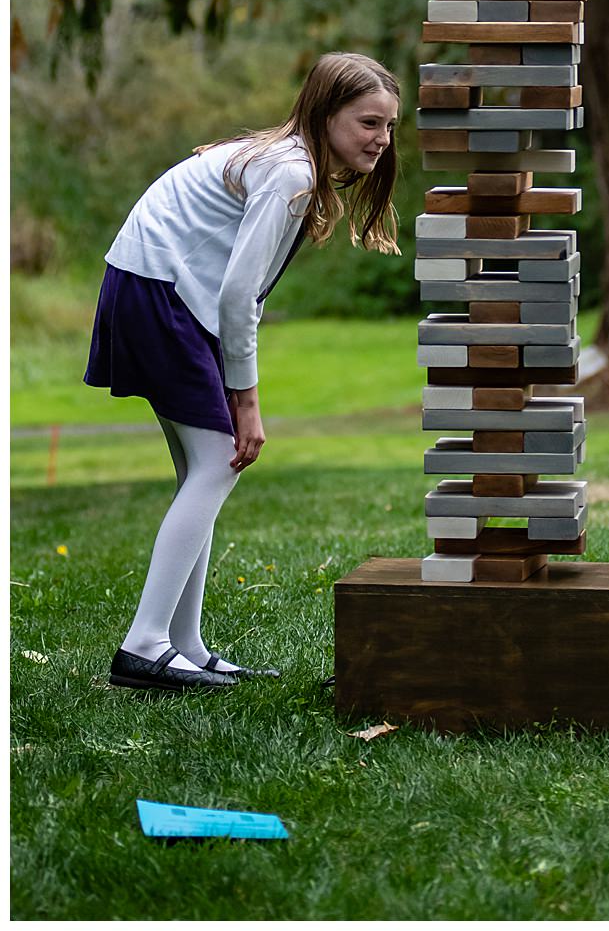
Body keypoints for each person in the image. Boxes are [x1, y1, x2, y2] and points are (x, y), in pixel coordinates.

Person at [84, 52, 401, 692]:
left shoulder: (288, 161)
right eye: (369, 122)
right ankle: (144, 645)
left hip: (154, 287)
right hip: (159, 291)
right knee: (220, 461)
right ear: (326, 112)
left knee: (201, 469)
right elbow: (238, 295)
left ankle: (182, 644)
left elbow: (234, 293)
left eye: (390, 126)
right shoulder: (291, 174)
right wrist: (246, 400)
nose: (382, 140)